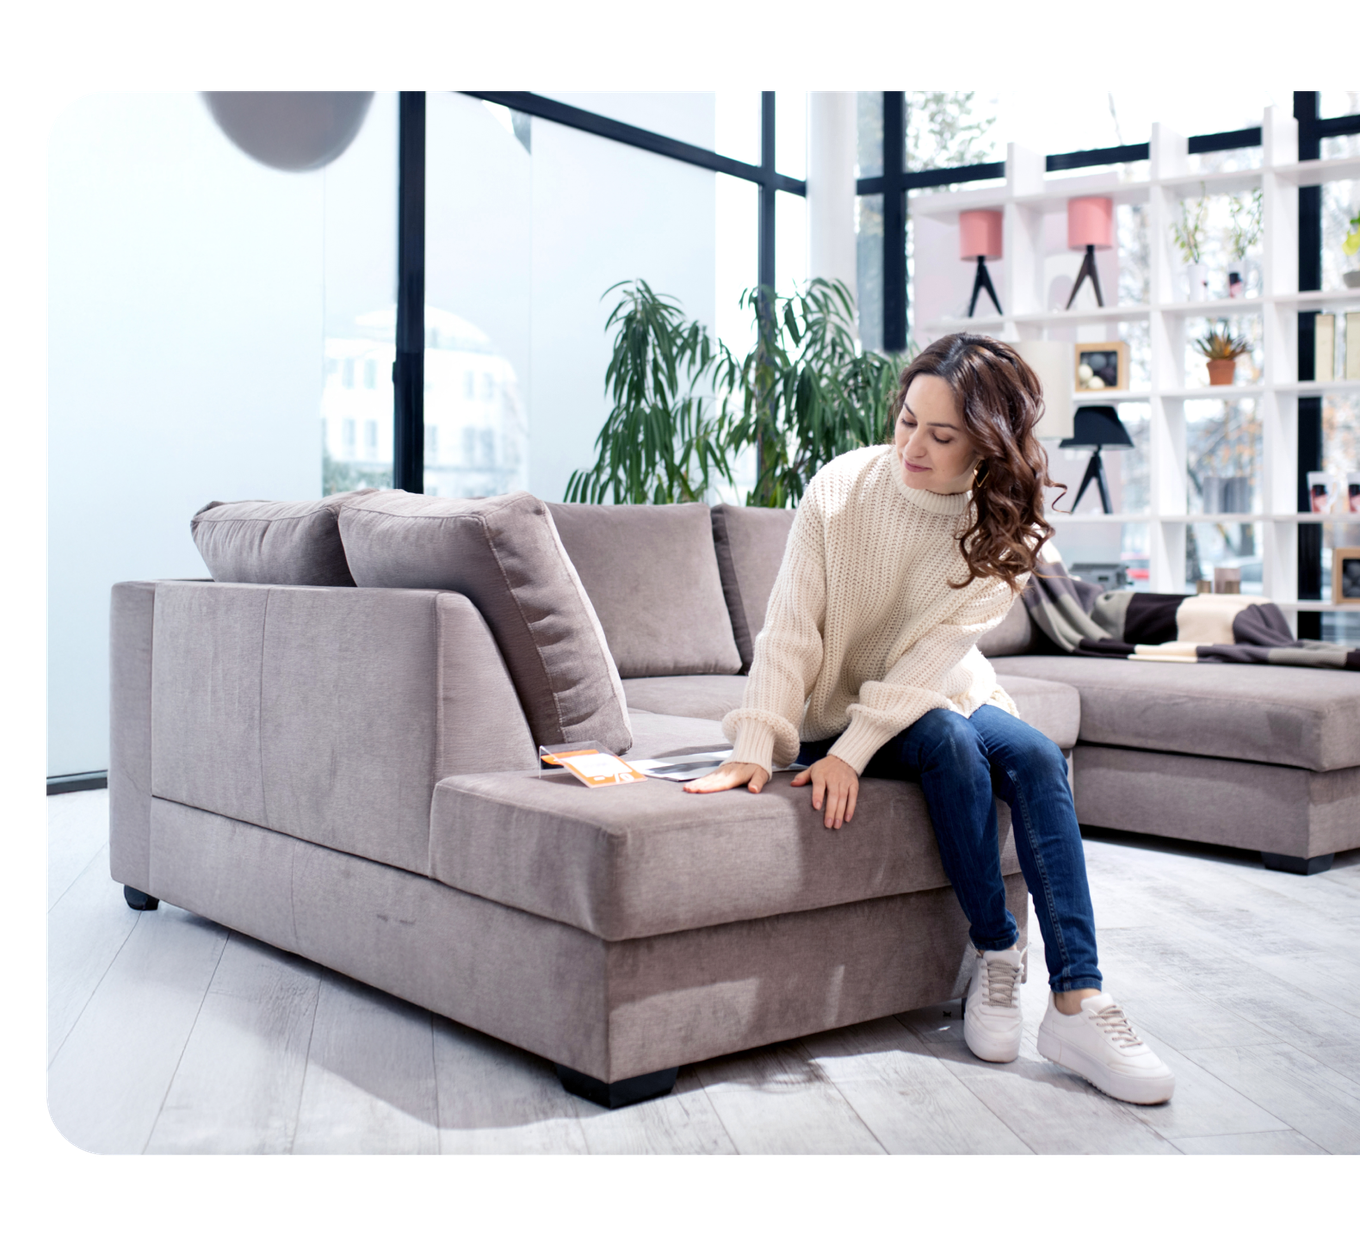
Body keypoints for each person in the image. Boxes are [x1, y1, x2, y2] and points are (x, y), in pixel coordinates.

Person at [684, 333, 1174, 1105]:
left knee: (1039, 758)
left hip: (940, 688)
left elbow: (927, 666)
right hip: (834, 702)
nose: (913, 445)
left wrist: (860, 752)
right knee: (947, 741)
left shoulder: (1001, 531)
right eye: (908, 420)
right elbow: (789, 630)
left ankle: (1079, 1000)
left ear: (986, 446)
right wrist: (764, 740)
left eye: (941, 436)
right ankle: (997, 951)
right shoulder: (842, 488)